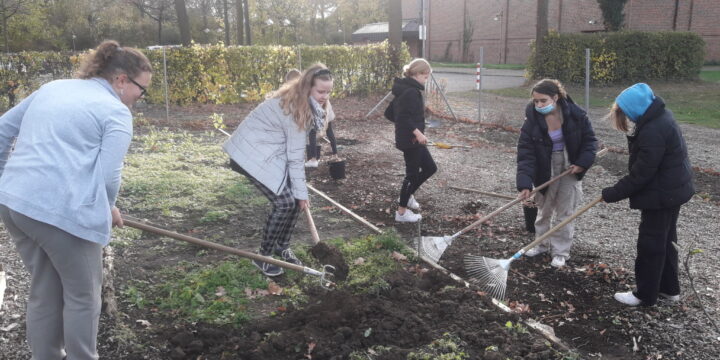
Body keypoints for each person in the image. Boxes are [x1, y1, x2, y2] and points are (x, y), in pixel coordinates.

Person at [0, 40, 152, 360]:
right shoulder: (115, 111)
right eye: (142, 89)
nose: (141, 97)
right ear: (121, 80)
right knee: (83, 296)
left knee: (45, 289)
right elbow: (109, 175)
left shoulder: (54, 88)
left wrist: (4, 181)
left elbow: (2, 129)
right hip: (57, 211)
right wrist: (105, 208)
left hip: (15, 203)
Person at [223, 63, 333, 277]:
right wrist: (301, 194)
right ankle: (263, 257)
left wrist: (300, 194)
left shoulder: (306, 103)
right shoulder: (293, 108)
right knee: (285, 202)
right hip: (249, 154)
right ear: (307, 87)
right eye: (320, 91)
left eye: (328, 92)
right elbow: (295, 158)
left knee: (294, 200)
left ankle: (281, 247)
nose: (325, 96)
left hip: (269, 151)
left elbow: (295, 153)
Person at [601, 83, 694, 307]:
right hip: (673, 190)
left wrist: (612, 193)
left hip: (661, 195)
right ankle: (669, 290)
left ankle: (645, 295)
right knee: (666, 240)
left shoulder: (653, 130)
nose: (626, 119)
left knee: (650, 244)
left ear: (634, 109)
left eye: (625, 113)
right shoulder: (660, 116)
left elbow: (641, 174)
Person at [516, 79, 597, 268]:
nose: (538, 105)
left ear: (556, 97)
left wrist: (582, 163)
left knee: (565, 211)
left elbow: (590, 142)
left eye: (543, 101)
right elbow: (526, 154)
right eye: (535, 101)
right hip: (546, 166)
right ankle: (540, 244)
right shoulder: (531, 122)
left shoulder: (576, 116)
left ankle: (560, 252)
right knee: (544, 209)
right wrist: (525, 184)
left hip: (570, 166)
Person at [391, 58, 437, 222]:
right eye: (425, 76)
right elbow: (402, 117)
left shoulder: (408, 88)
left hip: (411, 139)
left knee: (430, 168)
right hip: (411, 141)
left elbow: (395, 113)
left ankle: (408, 195)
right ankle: (401, 213)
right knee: (411, 175)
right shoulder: (410, 91)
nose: (426, 79)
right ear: (417, 74)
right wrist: (417, 132)